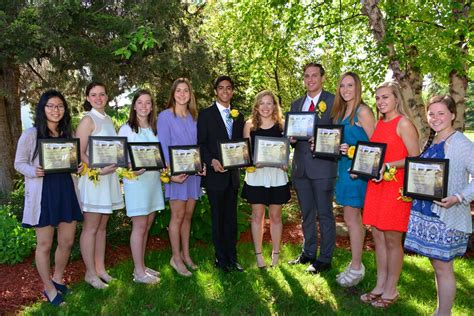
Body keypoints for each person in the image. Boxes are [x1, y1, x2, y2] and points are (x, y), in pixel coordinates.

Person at [404, 95, 473, 316]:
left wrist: (459, 197)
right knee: (437, 265)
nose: (435, 118)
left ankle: (444, 313)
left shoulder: (461, 143)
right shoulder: (431, 140)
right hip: (428, 213)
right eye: (431, 113)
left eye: (441, 113)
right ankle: (441, 310)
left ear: (453, 115)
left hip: (446, 216)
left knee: (443, 267)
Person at [14, 90, 83, 306]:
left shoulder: (66, 134)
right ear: (43, 109)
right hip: (43, 195)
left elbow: (73, 163)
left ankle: (58, 278)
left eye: (60, 106)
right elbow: (19, 163)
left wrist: (78, 166)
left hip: (66, 192)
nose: (56, 110)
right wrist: (34, 171)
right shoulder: (31, 134)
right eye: (51, 106)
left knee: (67, 241)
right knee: (44, 244)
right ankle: (49, 288)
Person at [360, 81, 419, 308]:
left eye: (385, 97)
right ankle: (380, 285)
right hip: (376, 187)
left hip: (395, 189)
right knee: (377, 237)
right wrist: (361, 168)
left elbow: (414, 158)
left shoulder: (403, 124)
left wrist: (387, 164)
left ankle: (391, 290)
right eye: (378, 98)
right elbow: (374, 155)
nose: (381, 102)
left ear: (396, 98)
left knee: (393, 240)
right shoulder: (378, 125)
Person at [288, 62, 337, 274]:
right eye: (307, 76)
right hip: (300, 168)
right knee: (307, 213)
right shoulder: (296, 104)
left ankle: (325, 258)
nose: (310, 80)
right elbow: (288, 134)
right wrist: (289, 138)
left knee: (324, 213)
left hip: (323, 168)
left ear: (322, 78)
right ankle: (308, 252)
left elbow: (337, 133)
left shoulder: (333, 102)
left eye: (314, 76)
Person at [76, 82, 124, 289]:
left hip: (109, 178)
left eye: (102, 94)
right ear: (87, 98)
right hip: (95, 179)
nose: (98, 98)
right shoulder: (88, 120)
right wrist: (97, 170)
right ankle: (89, 273)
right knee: (91, 227)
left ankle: (100, 269)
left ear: (107, 96)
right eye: (93, 95)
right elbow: (79, 152)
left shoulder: (109, 119)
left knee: (102, 228)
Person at [330, 72, 375, 286]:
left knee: (353, 219)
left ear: (358, 87)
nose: (346, 89)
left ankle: (357, 267)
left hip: (359, 172)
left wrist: (354, 151)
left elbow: (376, 147)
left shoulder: (363, 111)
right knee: (351, 219)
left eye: (350, 85)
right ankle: (355, 262)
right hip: (344, 168)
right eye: (342, 86)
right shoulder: (341, 110)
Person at [197, 75, 245, 272]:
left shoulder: (239, 116)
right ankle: (221, 259)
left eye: (229, 88)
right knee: (217, 219)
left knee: (231, 219)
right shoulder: (206, 114)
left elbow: (242, 145)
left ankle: (233, 258)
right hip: (215, 177)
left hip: (232, 176)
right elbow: (201, 144)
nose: (225, 91)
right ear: (215, 91)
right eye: (221, 88)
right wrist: (211, 161)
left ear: (232, 91)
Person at [157, 78, 204, 277]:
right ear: (173, 94)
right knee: (177, 217)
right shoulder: (165, 116)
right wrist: (170, 175)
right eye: (179, 90)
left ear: (190, 94)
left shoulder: (195, 117)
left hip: (193, 175)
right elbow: (163, 147)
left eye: (186, 91)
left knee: (187, 216)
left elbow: (199, 145)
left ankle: (186, 254)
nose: (182, 94)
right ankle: (175, 258)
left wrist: (201, 165)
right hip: (177, 176)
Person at [118, 90, 164, 284]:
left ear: (152, 107)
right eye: (140, 102)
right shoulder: (126, 129)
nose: (144, 106)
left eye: (148, 103)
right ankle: (138, 272)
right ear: (134, 106)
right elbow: (120, 159)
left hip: (153, 181)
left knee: (147, 224)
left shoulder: (155, 129)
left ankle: (142, 266)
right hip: (136, 182)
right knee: (139, 225)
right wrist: (130, 168)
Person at [241, 90, 291, 269]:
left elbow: (287, 152)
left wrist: (285, 162)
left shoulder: (282, 125)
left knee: (276, 216)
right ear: (256, 106)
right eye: (262, 103)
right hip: (257, 176)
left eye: (269, 103)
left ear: (274, 106)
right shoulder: (249, 125)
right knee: (257, 216)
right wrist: (253, 162)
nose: (265, 107)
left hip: (277, 176)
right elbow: (245, 154)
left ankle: (276, 254)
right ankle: (259, 255)